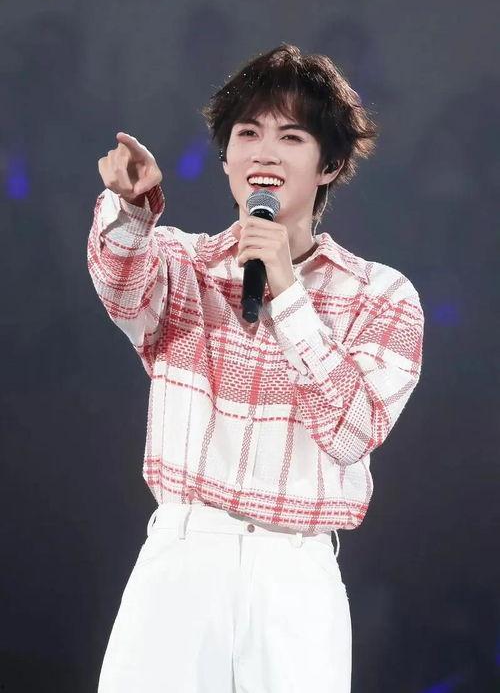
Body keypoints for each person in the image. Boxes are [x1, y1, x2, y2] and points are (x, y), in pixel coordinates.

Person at [88, 43, 424, 693]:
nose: (265, 152)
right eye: (248, 133)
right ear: (226, 158)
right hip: (183, 561)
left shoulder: (381, 296)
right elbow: (120, 286)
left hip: (294, 576)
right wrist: (129, 209)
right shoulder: (181, 265)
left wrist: (287, 293)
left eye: (291, 137)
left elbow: (353, 432)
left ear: (328, 164)